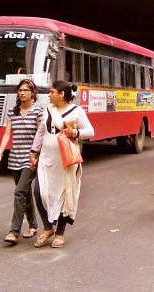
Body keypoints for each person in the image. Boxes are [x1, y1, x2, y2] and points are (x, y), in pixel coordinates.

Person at [29, 80, 94, 248]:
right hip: (46, 160)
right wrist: (34, 152)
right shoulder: (48, 109)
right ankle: (48, 227)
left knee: (65, 196)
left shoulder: (77, 111)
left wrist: (75, 132)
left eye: (51, 92)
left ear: (61, 94)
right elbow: (41, 131)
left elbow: (90, 131)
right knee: (39, 193)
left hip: (66, 162)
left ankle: (60, 233)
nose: (49, 95)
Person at [0, 79, 43, 245]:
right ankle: (34, 225)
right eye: (20, 90)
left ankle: (14, 231)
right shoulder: (12, 111)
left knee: (19, 192)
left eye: (25, 90)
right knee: (25, 192)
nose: (22, 93)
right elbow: (8, 134)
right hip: (15, 157)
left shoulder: (38, 112)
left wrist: (36, 154)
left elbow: (40, 135)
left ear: (33, 93)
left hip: (30, 158)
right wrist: (0, 153)